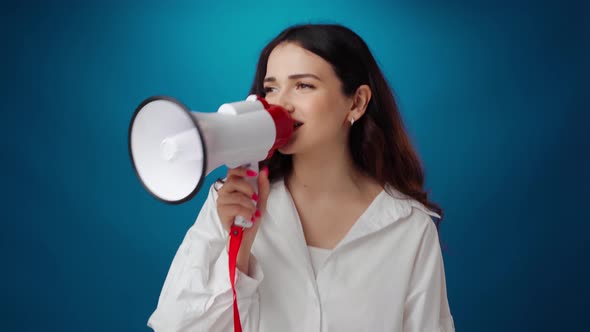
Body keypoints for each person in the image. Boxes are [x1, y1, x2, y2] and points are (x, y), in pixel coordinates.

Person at [147, 24, 455, 332]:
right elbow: (176, 326)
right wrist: (239, 252)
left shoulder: (408, 227)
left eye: (303, 86)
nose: (282, 104)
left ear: (357, 102)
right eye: (270, 88)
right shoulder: (230, 202)